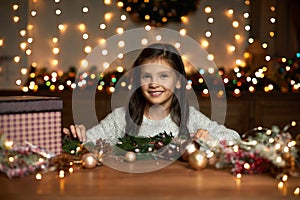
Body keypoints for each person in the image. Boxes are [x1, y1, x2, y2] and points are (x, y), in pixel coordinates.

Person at [63, 43, 240, 146]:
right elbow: (88, 142)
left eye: (163, 76)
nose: (154, 83)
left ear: (178, 81)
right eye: (146, 76)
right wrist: (78, 137)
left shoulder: (189, 117)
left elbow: (234, 138)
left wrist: (209, 138)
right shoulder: (120, 119)